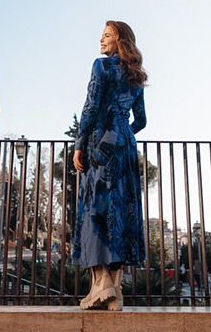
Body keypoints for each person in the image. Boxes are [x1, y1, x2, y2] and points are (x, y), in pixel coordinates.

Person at [72, 20, 147, 311]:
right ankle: (116, 292)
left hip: (101, 142)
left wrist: (80, 144)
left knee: (95, 209)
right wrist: (123, 132)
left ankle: (101, 281)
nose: (101, 40)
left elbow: (91, 107)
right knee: (121, 211)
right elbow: (141, 120)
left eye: (106, 35)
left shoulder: (101, 66)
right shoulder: (136, 75)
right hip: (125, 143)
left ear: (119, 40)